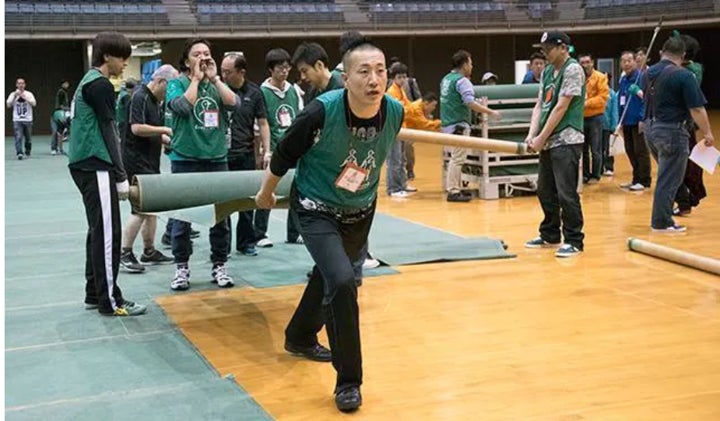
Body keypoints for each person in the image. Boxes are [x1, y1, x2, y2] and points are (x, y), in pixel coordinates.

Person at [255, 33, 403, 412]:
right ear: (345, 77)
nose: (374, 79)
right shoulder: (319, 113)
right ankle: (349, 380)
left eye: (380, 71)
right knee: (342, 280)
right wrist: (266, 194)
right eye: (364, 72)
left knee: (328, 277)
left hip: (360, 210)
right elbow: (284, 154)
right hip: (315, 207)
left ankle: (300, 335)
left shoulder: (395, 111)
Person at [67, 32, 146, 316]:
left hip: (83, 163)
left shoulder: (87, 81)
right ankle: (111, 301)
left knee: (98, 230)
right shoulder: (100, 85)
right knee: (108, 234)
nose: (125, 63)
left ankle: (95, 292)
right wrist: (121, 174)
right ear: (107, 57)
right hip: (95, 164)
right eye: (122, 57)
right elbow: (110, 132)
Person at [165, 38, 237, 291]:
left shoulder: (217, 85)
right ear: (187, 61)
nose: (204, 58)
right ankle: (181, 267)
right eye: (197, 54)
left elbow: (234, 103)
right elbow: (183, 107)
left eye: (207, 53)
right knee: (183, 217)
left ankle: (220, 265)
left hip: (216, 158)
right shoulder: (176, 83)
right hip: (186, 159)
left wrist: (215, 79)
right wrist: (195, 79)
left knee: (221, 216)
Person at [638, 35, 714, 233]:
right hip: (672, 131)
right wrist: (708, 133)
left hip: (650, 131)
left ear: (661, 52)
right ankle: (661, 222)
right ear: (683, 55)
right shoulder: (684, 75)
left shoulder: (646, 74)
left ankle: (666, 216)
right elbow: (697, 108)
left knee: (666, 176)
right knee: (669, 179)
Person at [524, 31, 586, 258]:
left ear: (563, 48)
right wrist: (532, 134)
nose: (545, 53)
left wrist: (541, 138)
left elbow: (561, 106)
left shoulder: (573, 69)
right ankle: (550, 234)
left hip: (567, 138)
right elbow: (540, 104)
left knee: (566, 192)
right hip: (548, 139)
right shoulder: (548, 71)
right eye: (543, 49)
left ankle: (574, 240)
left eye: (549, 49)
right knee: (544, 189)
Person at [119, 65, 178, 273]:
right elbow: (137, 128)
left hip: (150, 160)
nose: (169, 94)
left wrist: (167, 140)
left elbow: (152, 131)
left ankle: (149, 250)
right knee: (141, 208)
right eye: (169, 88)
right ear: (161, 82)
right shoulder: (140, 97)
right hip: (136, 161)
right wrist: (165, 130)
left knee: (153, 206)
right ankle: (125, 252)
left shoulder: (156, 102)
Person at [220, 52, 271, 256]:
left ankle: (246, 242)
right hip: (221, 155)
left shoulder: (255, 93)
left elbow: (263, 123)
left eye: (228, 72)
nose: (224, 75)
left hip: (246, 153)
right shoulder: (218, 90)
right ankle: (222, 246)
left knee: (247, 201)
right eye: (222, 71)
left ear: (241, 72)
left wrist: (267, 151)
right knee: (222, 202)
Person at [440, 49, 501, 202]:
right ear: (465, 64)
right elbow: (470, 102)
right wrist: (490, 112)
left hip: (447, 124)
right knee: (457, 158)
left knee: (454, 158)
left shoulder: (446, 79)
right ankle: (453, 191)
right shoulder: (462, 81)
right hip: (458, 125)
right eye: (471, 63)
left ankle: (455, 188)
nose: (472, 66)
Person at [259, 48, 305, 246]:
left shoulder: (294, 90)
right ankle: (260, 233)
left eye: (287, 67)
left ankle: (294, 233)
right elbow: (261, 123)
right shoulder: (262, 92)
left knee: (296, 190)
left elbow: (301, 117)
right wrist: (266, 150)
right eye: (280, 68)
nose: (285, 71)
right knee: (267, 189)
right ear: (271, 69)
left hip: (294, 148)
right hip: (275, 150)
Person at [673, 34, 706, 216]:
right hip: (683, 123)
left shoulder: (691, 71)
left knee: (684, 165)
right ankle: (686, 198)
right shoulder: (686, 68)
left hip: (683, 123)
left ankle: (687, 199)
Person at [617, 50, 651, 191]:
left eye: (629, 60)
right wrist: (620, 120)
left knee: (640, 151)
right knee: (630, 150)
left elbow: (647, 100)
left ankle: (644, 180)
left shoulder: (642, 78)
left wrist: (642, 118)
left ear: (635, 62)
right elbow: (620, 100)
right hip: (626, 121)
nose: (627, 63)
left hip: (638, 121)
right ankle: (636, 179)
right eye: (624, 61)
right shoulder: (623, 80)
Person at [385, 61, 416, 197]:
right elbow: (401, 109)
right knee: (394, 160)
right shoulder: (391, 92)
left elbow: (409, 107)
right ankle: (393, 189)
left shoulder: (401, 90)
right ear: (393, 78)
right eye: (399, 77)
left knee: (401, 159)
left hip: (402, 129)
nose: (402, 79)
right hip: (393, 130)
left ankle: (402, 185)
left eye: (404, 76)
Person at [578, 53, 609, 184]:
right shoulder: (577, 79)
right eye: (582, 63)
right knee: (583, 149)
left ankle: (596, 175)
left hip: (596, 118)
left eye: (587, 62)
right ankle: (585, 175)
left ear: (592, 63)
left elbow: (603, 98)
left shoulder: (600, 77)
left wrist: (586, 103)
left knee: (596, 149)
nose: (585, 65)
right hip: (580, 118)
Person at [7, 78, 36, 160]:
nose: (21, 85)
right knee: (18, 136)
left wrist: (24, 97)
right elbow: (8, 105)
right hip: (17, 120)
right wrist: (15, 96)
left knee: (28, 138)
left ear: (25, 85)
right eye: (19, 83)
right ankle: (19, 152)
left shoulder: (29, 94)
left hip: (28, 119)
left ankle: (28, 151)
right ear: (16, 85)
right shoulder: (13, 94)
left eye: (22, 83)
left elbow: (34, 103)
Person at [601, 74, 618, 176]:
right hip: (597, 125)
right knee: (598, 149)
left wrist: (614, 126)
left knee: (608, 148)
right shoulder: (597, 92)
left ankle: (609, 167)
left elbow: (614, 111)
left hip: (607, 126)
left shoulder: (612, 94)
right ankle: (599, 168)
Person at [115, 78, 138, 143]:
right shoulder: (126, 96)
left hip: (119, 120)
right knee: (124, 139)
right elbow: (130, 109)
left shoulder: (122, 93)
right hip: (123, 120)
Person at [51, 79, 71, 155]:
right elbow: (60, 104)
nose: (67, 85)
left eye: (67, 83)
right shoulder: (61, 92)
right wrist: (66, 108)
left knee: (60, 133)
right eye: (65, 83)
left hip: (62, 116)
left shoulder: (65, 92)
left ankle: (60, 149)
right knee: (55, 132)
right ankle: (53, 148)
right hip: (56, 116)